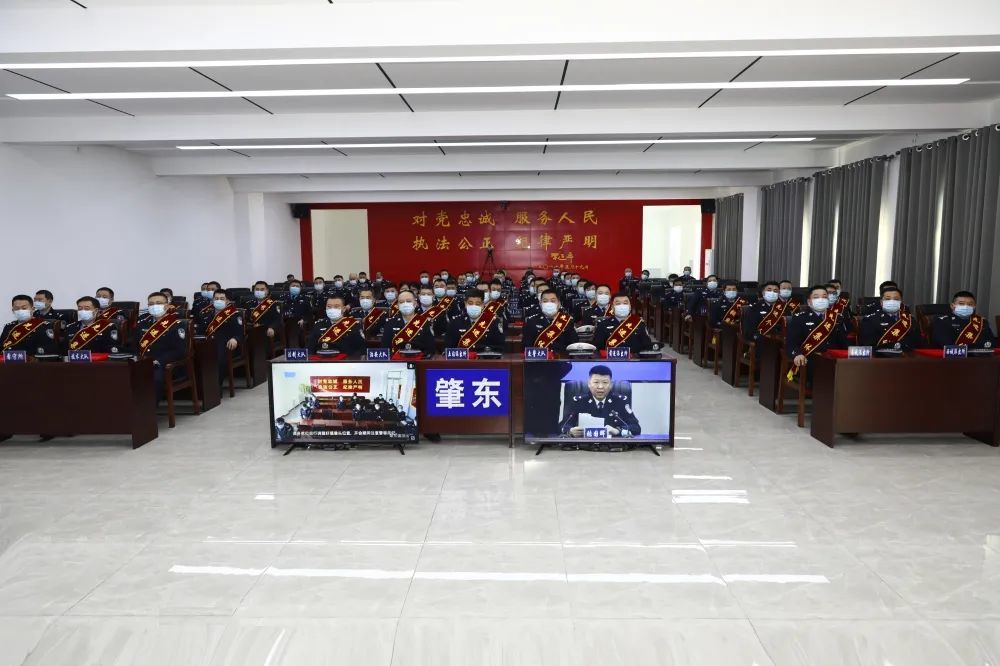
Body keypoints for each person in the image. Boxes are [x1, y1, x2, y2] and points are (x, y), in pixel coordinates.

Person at [129, 291, 188, 401]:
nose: (154, 306)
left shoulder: (176, 324)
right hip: (142, 361)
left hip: (164, 364)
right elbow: (134, 344)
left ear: (167, 305)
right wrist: (135, 357)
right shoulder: (142, 322)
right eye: (151, 304)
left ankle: (150, 408)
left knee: (153, 377)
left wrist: (158, 361)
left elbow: (180, 350)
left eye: (158, 303)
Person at [785, 284, 850, 382]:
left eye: (824, 297)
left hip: (833, 360)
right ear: (809, 302)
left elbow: (844, 344)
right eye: (816, 297)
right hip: (811, 359)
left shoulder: (837, 318)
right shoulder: (800, 318)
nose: (821, 300)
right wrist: (797, 354)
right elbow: (791, 343)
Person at [561, 365, 641, 437]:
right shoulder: (578, 402)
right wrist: (570, 431)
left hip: (613, 445)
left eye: (605, 382)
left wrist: (618, 431)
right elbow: (561, 426)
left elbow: (636, 428)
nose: (600, 386)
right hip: (584, 445)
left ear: (611, 385)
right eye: (596, 382)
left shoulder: (620, 402)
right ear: (589, 384)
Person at [197, 288, 245, 382]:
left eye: (222, 299)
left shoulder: (234, 314)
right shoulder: (206, 314)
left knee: (218, 356)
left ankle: (215, 384)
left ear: (227, 301)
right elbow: (201, 330)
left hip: (226, 344)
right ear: (213, 300)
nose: (218, 300)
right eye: (216, 298)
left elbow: (240, 332)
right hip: (208, 343)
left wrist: (235, 339)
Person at [859, 287, 923, 352]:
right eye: (887, 299)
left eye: (896, 299)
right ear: (881, 302)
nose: (892, 301)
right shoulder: (870, 320)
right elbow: (868, 347)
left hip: (909, 356)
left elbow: (920, 345)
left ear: (901, 302)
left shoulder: (909, 320)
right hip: (882, 357)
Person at [930, 290, 997, 351]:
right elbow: (947, 345)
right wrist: (977, 346)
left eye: (970, 304)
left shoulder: (981, 321)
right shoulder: (942, 321)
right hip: (952, 358)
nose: (966, 306)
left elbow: (990, 343)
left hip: (980, 357)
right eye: (961, 303)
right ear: (952, 306)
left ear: (974, 307)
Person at [381, 289, 436, 357]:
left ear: (415, 303)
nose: (405, 304)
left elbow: (430, 349)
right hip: (396, 361)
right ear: (397, 305)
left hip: (419, 360)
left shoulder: (424, 322)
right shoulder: (390, 323)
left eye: (408, 301)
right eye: (401, 302)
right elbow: (385, 348)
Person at [521, 289, 579, 354]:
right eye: (545, 301)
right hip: (539, 359)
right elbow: (526, 347)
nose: (549, 303)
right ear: (540, 304)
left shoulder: (567, 320)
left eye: (553, 301)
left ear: (559, 304)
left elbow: (573, 345)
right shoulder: (531, 321)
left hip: (561, 358)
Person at [742, 281, 791, 346]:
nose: (772, 293)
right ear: (763, 292)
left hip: (781, 340)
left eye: (775, 291)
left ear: (779, 293)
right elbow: (749, 331)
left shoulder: (785, 308)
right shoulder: (754, 308)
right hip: (762, 341)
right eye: (769, 290)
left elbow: (789, 327)